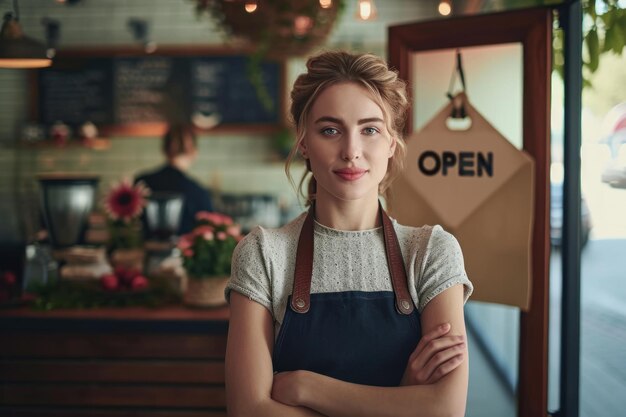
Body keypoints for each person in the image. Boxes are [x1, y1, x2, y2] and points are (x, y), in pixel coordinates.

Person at [225, 51, 473, 417]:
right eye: (330, 130)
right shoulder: (263, 254)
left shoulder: (431, 251)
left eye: (370, 129)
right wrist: (403, 398)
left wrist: (307, 387)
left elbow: (444, 410)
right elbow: (248, 411)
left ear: (391, 143)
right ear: (304, 142)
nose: (351, 152)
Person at [134, 124, 214, 235]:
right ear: (194, 152)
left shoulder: (141, 182)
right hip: (183, 252)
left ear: (164, 150)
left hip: (143, 250)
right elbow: (208, 232)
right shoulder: (199, 192)